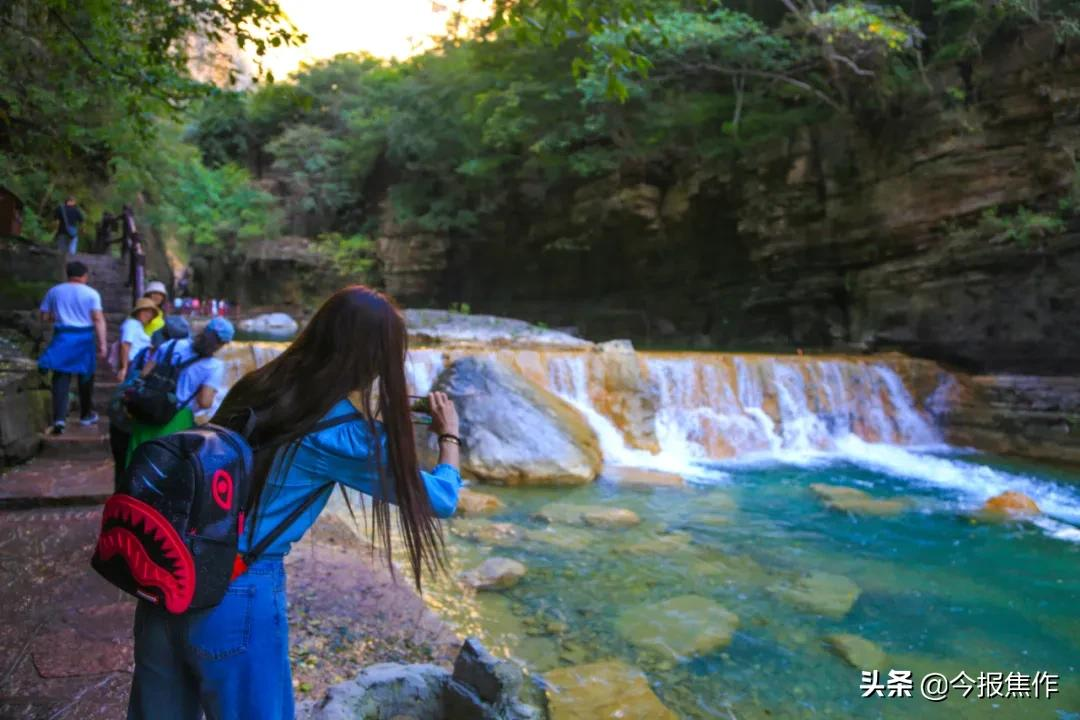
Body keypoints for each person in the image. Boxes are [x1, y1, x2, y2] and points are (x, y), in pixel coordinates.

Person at [125, 286, 462, 720]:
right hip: (236, 588)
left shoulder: (257, 385)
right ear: (373, 359)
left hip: (168, 571)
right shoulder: (341, 432)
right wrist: (448, 435)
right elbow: (442, 499)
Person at [125, 316, 235, 465]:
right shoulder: (213, 366)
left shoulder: (172, 344)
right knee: (164, 464)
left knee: (136, 458)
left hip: (146, 406)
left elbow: (145, 373)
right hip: (177, 417)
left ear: (204, 330)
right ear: (222, 344)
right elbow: (204, 402)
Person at [108, 316, 191, 489]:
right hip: (148, 424)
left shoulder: (144, 356)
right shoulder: (181, 367)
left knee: (124, 469)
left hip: (127, 421)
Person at [38, 261, 107, 434]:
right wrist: (103, 343)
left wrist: (55, 318)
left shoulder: (55, 291)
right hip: (84, 339)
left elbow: (45, 316)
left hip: (63, 337)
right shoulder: (92, 293)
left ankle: (59, 418)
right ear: (85, 275)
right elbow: (98, 318)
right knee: (86, 377)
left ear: (68, 274)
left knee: (60, 376)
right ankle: (85, 415)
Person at [115, 299, 156, 381]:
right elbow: (125, 344)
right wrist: (124, 368)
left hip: (139, 364)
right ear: (138, 311)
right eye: (145, 311)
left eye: (150, 313)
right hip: (132, 364)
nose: (148, 315)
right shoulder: (131, 324)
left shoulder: (139, 326)